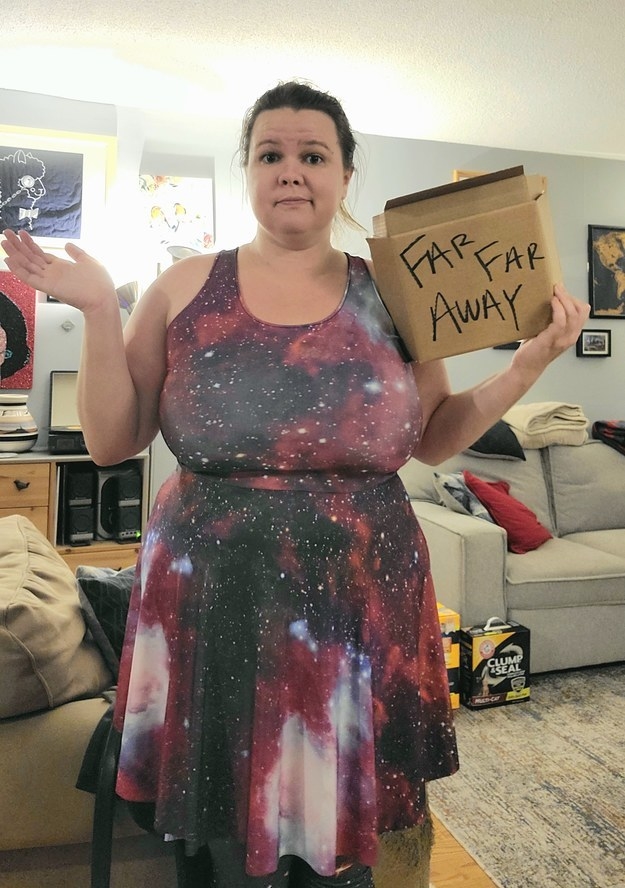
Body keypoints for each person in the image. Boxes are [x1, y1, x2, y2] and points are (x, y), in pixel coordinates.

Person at [1, 80, 589, 888]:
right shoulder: (180, 288)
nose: (291, 170)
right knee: (220, 829)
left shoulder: (392, 291)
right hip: (211, 597)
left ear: (345, 175)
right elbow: (111, 440)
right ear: (245, 169)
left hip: (359, 601)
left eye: (313, 155)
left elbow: (433, 437)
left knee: (340, 839)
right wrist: (102, 309)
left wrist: (528, 365)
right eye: (270, 153)